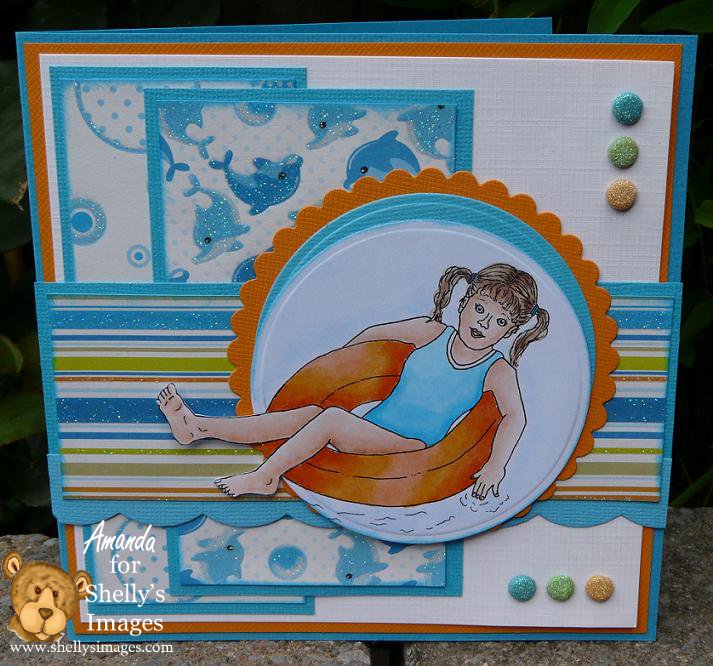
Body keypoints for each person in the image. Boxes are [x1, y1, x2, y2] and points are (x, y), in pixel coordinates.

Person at [157, 263, 550, 501]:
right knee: (312, 413)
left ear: (510, 331)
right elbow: (372, 336)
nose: (484, 323)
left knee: (329, 419)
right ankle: (199, 428)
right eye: (480, 308)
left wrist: (497, 466)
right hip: (371, 426)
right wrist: (339, 366)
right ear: (464, 303)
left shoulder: (497, 370)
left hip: (412, 445)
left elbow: (515, 416)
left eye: (499, 321)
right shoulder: (431, 332)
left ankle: (266, 476)